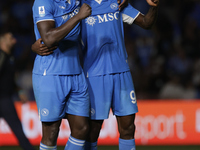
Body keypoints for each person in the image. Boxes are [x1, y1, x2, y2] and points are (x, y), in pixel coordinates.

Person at [32, 0, 159, 149]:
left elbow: (146, 23)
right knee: (90, 131)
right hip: (93, 75)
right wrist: (35, 45)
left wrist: (153, 6)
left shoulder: (117, 3)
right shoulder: (80, 6)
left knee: (128, 128)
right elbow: (57, 27)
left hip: (122, 72)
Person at [32, 0, 92, 150]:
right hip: (51, 73)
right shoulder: (44, 2)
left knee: (82, 129)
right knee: (51, 132)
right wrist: (78, 17)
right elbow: (49, 38)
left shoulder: (77, 2)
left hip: (76, 73)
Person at [0, 31, 35, 150]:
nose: (14, 40)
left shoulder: (10, 57)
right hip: (3, 98)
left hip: (6, 97)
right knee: (16, 126)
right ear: (3, 41)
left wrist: (19, 92)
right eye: (11, 38)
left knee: (16, 126)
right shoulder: (2, 56)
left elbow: (10, 80)